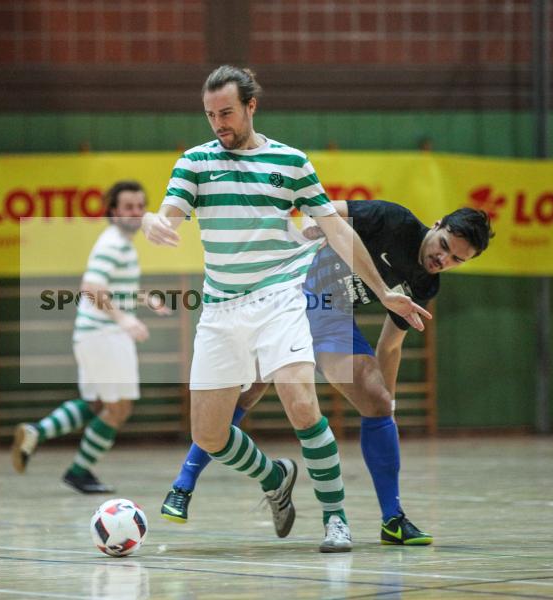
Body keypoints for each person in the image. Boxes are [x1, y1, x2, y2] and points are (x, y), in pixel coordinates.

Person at [141, 65, 431, 552]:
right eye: (210, 115)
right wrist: (157, 220)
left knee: (301, 402)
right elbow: (172, 209)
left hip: (280, 298)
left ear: (252, 106)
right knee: (210, 435)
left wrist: (382, 292)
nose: (218, 123)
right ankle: (274, 477)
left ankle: (335, 519)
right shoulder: (194, 162)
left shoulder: (292, 162)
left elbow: (338, 230)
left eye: (227, 113)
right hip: (220, 310)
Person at [161, 200, 494, 546]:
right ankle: (184, 483)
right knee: (245, 393)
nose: (443, 260)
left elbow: (390, 346)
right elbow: (325, 209)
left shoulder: (425, 283)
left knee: (377, 401)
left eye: (456, 260)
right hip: (287, 298)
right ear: (436, 224)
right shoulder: (393, 220)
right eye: (443, 246)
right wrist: (312, 229)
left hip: (332, 317)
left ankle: (392, 519)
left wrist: (388, 405)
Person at [11, 181, 168, 493]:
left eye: (140, 206)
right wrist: (124, 319)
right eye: (128, 207)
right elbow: (92, 288)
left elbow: (111, 287)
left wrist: (143, 298)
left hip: (90, 335)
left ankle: (36, 432)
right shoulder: (115, 244)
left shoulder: (117, 242)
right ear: (113, 211)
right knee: (119, 408)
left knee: (95, 403)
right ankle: (79, 471)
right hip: (105, 335)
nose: (136, 213)